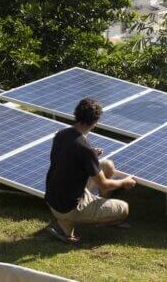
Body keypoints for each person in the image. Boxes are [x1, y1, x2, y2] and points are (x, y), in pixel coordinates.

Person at [44, 98, 137, 244]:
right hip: (71, 206)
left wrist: (91, 155)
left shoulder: (61, 134)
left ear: (76, 114)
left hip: (53, 198)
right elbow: (104, 185)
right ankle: (70, 222)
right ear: (96, 121)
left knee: (106, 164)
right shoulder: (85, 149)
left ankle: (67, 222)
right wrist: (125, 182)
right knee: (124, 209)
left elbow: (67, 158)